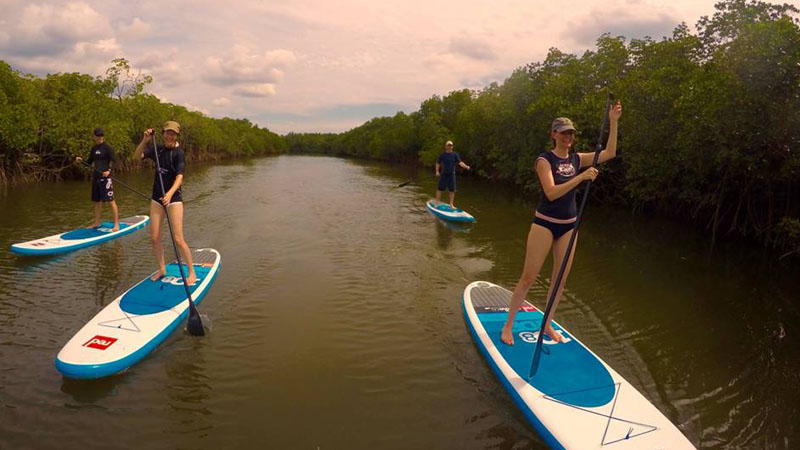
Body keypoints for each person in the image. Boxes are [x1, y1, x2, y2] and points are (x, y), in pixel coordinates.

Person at [501, 102, 622, 345]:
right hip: (544, 225)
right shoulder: (544, 160)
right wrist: (581, 177)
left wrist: (614, 121)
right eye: (564, 132)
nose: (568, 136)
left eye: (571, 133)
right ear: (554, 134)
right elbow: (551, 192)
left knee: (560, 281)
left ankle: (547, 325)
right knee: (528, 278)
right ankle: (508, 326)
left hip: (569, 226)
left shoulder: (578, 158)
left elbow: (609, 153)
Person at [133, 121, 197, 284]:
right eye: (168, 133)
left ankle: (191, 272)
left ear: (176, 136)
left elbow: (180, 177)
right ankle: (162, 269)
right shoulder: (157, 149)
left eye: (173, 134)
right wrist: (144, 141)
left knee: (178, 239)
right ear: (163, 134)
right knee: (154, 238)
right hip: (157, 198)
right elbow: (136, 157)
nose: (170, 136)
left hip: (174, 199)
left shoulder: (179, 153)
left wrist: (169, 194)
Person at [75, 127, 119, 231]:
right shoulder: (94, 149)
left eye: (101, 135)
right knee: (97, 201)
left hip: (106, 179)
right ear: (94, 137)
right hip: (96, 178)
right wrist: (81, 161)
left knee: (111, 201)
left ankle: (116, 224)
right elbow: (89, 163)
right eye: (98, 136)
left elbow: (116, 161)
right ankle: (96, 223)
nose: (100, 137)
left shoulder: (107, 148)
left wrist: (109, 171)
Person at [435, 140, 470, 208]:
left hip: (452, 175)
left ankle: (451, 204)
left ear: (452, 147)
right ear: (445, 146)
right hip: (443, 174)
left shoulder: (455, 155)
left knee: (452, 190)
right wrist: (437, 171)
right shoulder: (442, 155)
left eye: (451, 145)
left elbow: (460, 162)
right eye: (448, 145)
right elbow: (438, 163)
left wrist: (466, 166)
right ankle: (437, 203)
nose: (449, 147)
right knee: (440, 189)